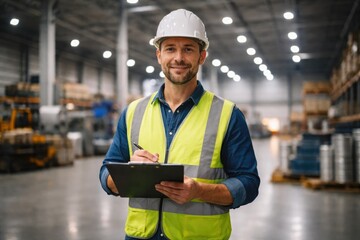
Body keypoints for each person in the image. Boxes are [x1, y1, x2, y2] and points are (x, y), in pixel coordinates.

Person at [99, 8, 260, 240]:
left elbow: (249, 183)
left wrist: (198, 191)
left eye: (188, 49)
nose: (179, 58)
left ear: (201, 56)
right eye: (170, 49)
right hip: (141, 235)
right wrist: (128, 173)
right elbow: (107, 173)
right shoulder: (133, 112)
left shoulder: (227, 115)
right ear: (158, 55)